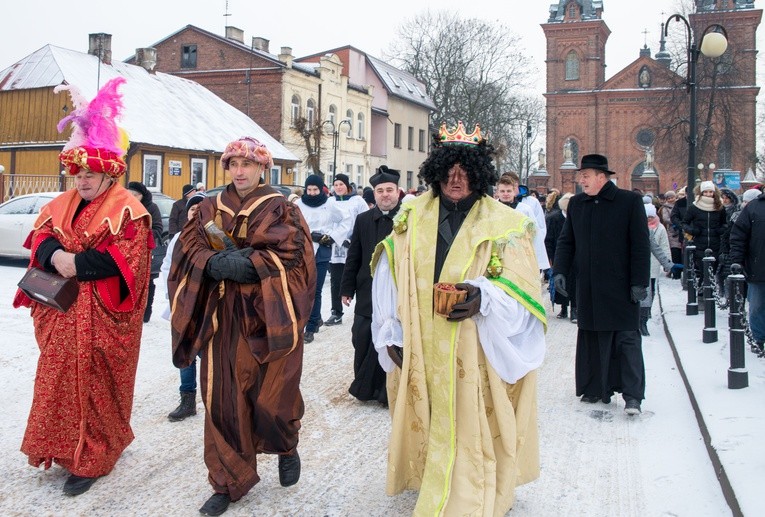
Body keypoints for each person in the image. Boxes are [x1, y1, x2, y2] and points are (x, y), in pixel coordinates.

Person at [370, 121, 546, 515]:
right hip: (421, 341)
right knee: (429, 411)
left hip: (475, 347)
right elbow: (389, 274)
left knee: (472, 417)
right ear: (436, 170)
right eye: (448, 169)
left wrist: (484, 297)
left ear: (479, 172)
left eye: (465, 169)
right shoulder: (411, 215)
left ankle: (471, 486)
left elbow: (524, 291)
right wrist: (389, 330)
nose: (455, 178)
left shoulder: (506, 224)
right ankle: (435, 475)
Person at [12, 77, 153, 496]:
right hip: (63, 316)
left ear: (109, 173)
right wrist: (55, 256)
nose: (82, 181)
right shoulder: (62, 203)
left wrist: (77, 262)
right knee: (56, 382)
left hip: (102, 318)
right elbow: (40, 237)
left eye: (91, 174)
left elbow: (129, 260)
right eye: (77, 173)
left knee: (97, 385)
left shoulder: (130, 209)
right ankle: (63, 447)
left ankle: (95, 456)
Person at [168, 136, 316, 516]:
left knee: (271, 398)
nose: (239, 171)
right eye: (233, 164)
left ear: (262, 169)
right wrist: (211, 263)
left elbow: (294, 259)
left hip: (269, 315)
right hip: (222, 318)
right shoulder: (206, 207)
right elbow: (188, 248)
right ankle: (227, 480)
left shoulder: (282, 208)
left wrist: (251, 264)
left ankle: (285, 444)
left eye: (247, 165)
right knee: (222, 399)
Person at [553, 153, 650, 415]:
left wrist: (639, 281)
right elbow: (566, 241)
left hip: (621, 286)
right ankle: (595, 387)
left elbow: (640, 245)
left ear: (601, 176)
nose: (581, 181)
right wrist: (560, 271)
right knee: (592, 338)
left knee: (626, 339)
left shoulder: (629, 201)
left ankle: (632, 396)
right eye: (580, 176)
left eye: (585, 176)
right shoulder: (577, 204)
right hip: (588, 286)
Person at [340, 165, 401, 405]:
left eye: (389, 190)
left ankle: (388, 393)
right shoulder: (363, 219)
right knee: (362, 338)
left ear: (398, 192)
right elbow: (353, 256)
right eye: (380, 191)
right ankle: (365, 389)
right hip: (367, 292)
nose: (385, 195)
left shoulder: (409, 219)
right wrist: (346, 289)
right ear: (373, 194)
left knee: (392, 342)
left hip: (396, 294)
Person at [161, 193, 206, 421]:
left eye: (201, 208)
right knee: (184, 351)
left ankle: (215, 398)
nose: (195, 211)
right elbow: (167, 268)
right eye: (192, 209)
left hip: (206, 304)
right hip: (181, 304)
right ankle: (187, 399)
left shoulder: (215, 236)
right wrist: (169, 297)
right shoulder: (178, 239)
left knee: (209, 353)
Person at [295, 174, 348, 343]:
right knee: (302, 289)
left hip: (322, 250)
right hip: (302, 250)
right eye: (308, 189)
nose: (311, 193)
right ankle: (314, 318)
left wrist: (331, 236)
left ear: (321, 189)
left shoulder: (329, 204)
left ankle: (310, 328)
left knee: (315, 289)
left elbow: (345, 221)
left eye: (315, 189)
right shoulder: (297, 204)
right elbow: (290, 224)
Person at [325, 173, 369, 327]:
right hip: (336, 248)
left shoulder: (357, 201)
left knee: (356, 278)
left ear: (347, 186)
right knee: (336, 280)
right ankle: (336, 312)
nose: (338, 187)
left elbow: (364, 221)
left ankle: (363, 309)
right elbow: (327, 222)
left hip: (352, 246)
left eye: (341, 184)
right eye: (336, 185)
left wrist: (352, 239)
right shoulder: (330, 202)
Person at [729, 187, 765, 355]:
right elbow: (738, 236)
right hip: (758, 268)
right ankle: (759, 338)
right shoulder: (754, 207)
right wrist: (736, 260)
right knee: (757, 306)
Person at [496, 171, 550, 273]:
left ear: (514, 191)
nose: (506, 194)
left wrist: (538, 262)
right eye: (502, 191)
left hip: (521, 257)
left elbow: (536, 234)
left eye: (508, 191)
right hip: (497, 257)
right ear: (497, 192)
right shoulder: (492, 209)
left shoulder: (525, 210)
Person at [128, 181, 165, 322]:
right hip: (128, 252)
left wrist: (141, 234)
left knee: (147, 282)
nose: (132, 197)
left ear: (142, 196)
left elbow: (158, 229)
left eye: (135, 195)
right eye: (129, 194)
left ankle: (146, 311)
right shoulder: (125, 207)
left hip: (146, 251)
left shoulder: (151, 207)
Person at [681, 181, 727, 281]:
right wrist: (693, 231)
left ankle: (708, 291)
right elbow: (684, 223)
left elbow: (725, 223)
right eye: (705, 192)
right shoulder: (694, 207)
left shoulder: (719, 207)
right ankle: (703, 291)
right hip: (699, 244)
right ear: (701, 192)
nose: (708, 194)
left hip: (716, 244)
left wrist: (721, 230)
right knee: (703, 271)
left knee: (712, 270)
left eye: (710, 192)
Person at [641, 203, 674, 336]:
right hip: (635, 266)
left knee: (647, 293)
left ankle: (642, 321)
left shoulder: (654, 229)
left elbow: (659, 248)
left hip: (650, 265)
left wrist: (668, 263)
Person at [545, 191, 577, 322]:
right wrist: (550, 257)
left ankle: (575, 309)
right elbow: (549, 239)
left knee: (575, 283)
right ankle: (564, 308)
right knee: (561, 281)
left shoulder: (577, 217)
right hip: (559, 255)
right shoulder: (554, 218)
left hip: (575, 256)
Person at [659, 190, 682, 279]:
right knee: (674, 252)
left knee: (680, 252)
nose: (671, 199)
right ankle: (675, 272)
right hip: (672, 231)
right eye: (669, 198)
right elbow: (665, 218)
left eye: (672, 197)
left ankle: (679, 270)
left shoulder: (678, 205)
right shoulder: (665, 208)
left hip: (679, 230)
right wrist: (675, 221)